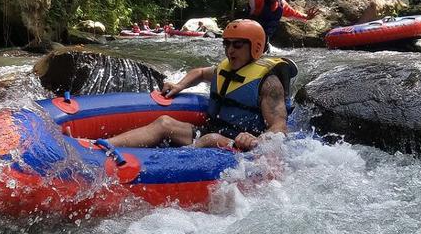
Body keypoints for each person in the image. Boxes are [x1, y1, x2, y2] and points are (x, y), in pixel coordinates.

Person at [106, 19, 297, 151]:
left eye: (237, 45)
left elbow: (279, 127)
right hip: (212, 131)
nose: (230, 51)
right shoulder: (225, 70)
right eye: (227, 44)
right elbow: (198, 73)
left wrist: (254, 140)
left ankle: (166, 168)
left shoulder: (269, 83)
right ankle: (101, 145)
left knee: (210, 139)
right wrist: (179, 86)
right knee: (164, 122)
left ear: (255, 47)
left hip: (242, 146)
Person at [236, 0, 319, 48]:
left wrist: (307, 17)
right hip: (247, 40)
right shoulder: (259, 0)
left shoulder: (282, 5)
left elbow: (295, 14)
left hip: (263, 43)